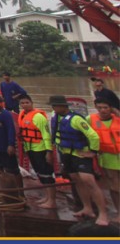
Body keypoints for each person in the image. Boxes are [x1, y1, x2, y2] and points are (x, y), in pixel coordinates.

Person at [49, 94, 108, 226]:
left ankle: (103, 213)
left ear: (63, 106)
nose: (53, 108)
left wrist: (92, 152)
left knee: (89, 181)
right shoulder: (57, 117)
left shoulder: (76, 119)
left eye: (55, 106)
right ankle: (87, 207)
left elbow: (93, 136)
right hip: (66, 153)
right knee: (77, 181)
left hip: (80, 154)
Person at [16, 93, 56, 208]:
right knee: (40, 174)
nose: (25, 105)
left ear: (32, 103)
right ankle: (47, 197)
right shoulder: (22, 115)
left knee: (47, 174)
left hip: (40, 148)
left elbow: (46, 134)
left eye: (27, 103)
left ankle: (52, 201)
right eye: (22, 103)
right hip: (30, 148)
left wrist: (49, 151)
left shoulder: (38, 117)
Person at [88, 99, 120, 215]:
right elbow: (84, 135)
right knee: (114, 187)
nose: (103, 110)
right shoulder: (90, 119)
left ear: (111, 108)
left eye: (105, 107)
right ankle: (119, 212)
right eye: (100, 107)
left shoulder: (118, 118)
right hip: (107, 157)